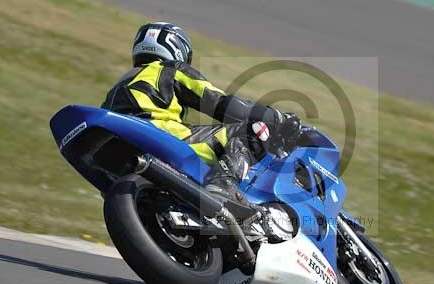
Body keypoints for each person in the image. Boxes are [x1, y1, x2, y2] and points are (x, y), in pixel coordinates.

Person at [102, 22, 299, 202]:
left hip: (117, 153)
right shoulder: (169, 69)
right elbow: (221, 104)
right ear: (177, 48)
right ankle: (223, 185)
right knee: (252, 131)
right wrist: (277, 118)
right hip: (160, 134)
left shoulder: (120, 84)